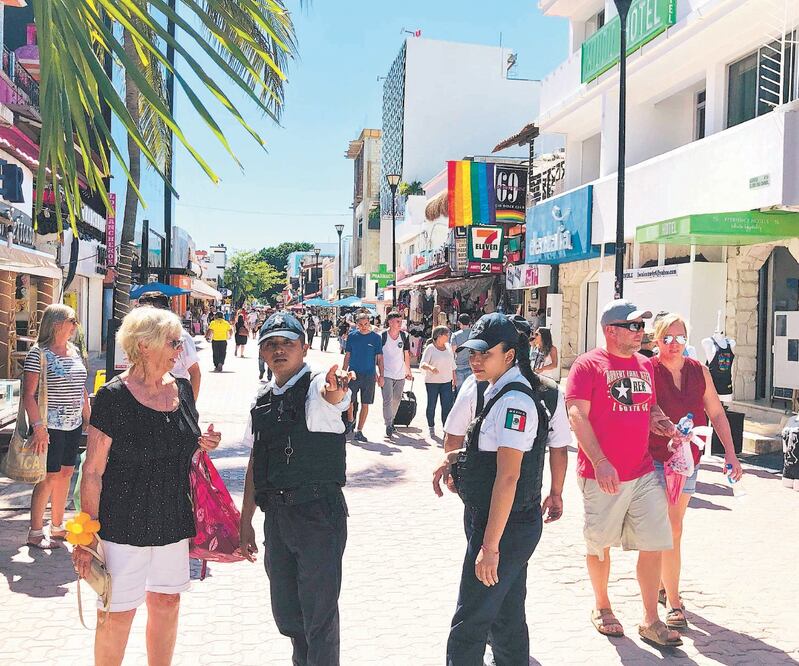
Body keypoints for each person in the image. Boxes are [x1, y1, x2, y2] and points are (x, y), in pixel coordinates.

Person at [73, 306, 221, 665]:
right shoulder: (113, 396)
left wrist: (203, 442)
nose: (180, 349)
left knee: (167, 603)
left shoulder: (182, 390)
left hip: (172, 520)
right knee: (117, 613)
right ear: (143, 345)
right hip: (122, 524)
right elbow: (92, 470)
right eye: (173, 342)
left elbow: (182, 442)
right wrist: (86, 535)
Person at [429, 313, 564, 664]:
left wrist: (489, 547)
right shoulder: (497, 389)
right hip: (503, 522)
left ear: (509, 355)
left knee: (470, 622)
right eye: (473, 353)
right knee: (505, 617)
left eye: (485, 353)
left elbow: (509, 476)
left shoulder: (513, 401)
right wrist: (454, 458)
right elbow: (490, 450)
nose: (475, 360)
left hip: (504, 527)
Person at [566, 299, 682, 647]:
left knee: (656, 542)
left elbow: (647, 405)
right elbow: (576, 415)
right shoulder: (587, 366)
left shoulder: (645, 365)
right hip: (603, 473)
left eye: (641, 326)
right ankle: (602, 606)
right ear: (611, 330)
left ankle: (650, 619)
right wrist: (600, 461)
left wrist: (658, 420)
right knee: (599, 544)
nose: (640, 332)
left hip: (643, 470)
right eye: (633, 326)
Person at [239, 312, 352, 665]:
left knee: (319, 615)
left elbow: (333, 395)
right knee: (289, 614)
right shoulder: (263, 400)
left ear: (304, 347)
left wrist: (337, 390)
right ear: (262, 353)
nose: (279, 350)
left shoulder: (317, 387)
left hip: (317, 515)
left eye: (287, 343)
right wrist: (245, 523)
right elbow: (255, 463)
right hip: (278, 518)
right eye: (271, 344)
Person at [649, 313, 742, 629]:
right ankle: (673, 602)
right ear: (656, 340)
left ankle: (665, 585)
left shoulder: (698, 371)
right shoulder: (648, 370)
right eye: (667, 338)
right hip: (656, 459)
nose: (673, 345)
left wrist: (730, 453)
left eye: (679, 338)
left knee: (674, 526)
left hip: (688, 460)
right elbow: (644, 410)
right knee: (667, 528)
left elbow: (716, 413)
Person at [23, 305, 90, 549]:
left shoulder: (74, 351)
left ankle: (58, 526)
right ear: (56, 323)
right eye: (72, 321)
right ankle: (35, 531)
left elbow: (80, 386)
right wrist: (38, 427)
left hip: (73, 424)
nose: (75, 326)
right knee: (48, 477)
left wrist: (88, 418)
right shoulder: (39, 354)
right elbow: (28, 395)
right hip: (49, 425)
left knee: (66, 474)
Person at [138, 292, 202, 400]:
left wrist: (191, 408)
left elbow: (195, 372)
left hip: (174, 399)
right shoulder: (140, 336)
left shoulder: (180, 337)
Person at [343, 312, 384, 442]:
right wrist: (343, 372)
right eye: (360, 324)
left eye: (366, 324)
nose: (364, 327)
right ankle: (350, 421)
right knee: (349, 401)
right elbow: (347, 355)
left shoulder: (376, 338)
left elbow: (379, 358)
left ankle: (359, 430)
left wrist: (381, 375)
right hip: (353, 374)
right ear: (357, 325)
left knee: (365, 404)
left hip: (369, 375)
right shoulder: (352, 336)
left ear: (369, 323)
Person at [419, 326, 457, 438]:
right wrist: (431, 368)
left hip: (446, 382)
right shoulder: (430, 348)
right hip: (432, 382)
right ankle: (431, 427)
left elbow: (452, 365)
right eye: (447, 335)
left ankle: (446, 429)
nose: (449, 337)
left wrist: (454, 378)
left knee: (447, 406)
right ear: (440, 336)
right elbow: (423, 363)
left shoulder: (448, 347)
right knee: (432, 405)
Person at [380, 312, 412, 437]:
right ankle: (388, 424)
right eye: (397, 321)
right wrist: (378, 373)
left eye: (401, 321)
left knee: (397, 399)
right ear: (390, 322)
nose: (400, 324)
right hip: (386, 372)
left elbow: (406, 354)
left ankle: (391, 420)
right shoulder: (382, 336)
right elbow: (378, 356)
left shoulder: (404, 336)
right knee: (387, 399)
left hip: (400, 373)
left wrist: (408, 371)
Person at [450, 313, 473, 392]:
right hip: (471, 365)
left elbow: (453, 352)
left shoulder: (455, 335)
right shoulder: (473, 334)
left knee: (460, 392)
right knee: (470, 390)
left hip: (458, 366)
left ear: (459, 322)